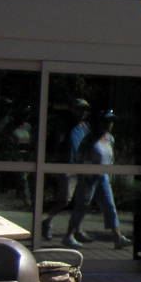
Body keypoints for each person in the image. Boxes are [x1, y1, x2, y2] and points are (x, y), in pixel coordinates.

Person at [65, 110, 128, 248]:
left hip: (103, 176)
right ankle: (69, 235)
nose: (109, 124)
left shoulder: (110, 138)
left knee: (110, 205)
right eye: (107, 121)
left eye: (111, 121)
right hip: (90, 176)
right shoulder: (89, 138)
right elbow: (80, 156)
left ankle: (117, 236)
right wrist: (85, 172)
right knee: (83, 205)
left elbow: (110, 158)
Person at [40, 98, 92, 240]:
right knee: (65, 200)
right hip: (67, 166)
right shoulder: (64, 125)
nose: (83, 112)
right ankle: (47, 222)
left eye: (85, 109)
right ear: (73, 109)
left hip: (81, 166)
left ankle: (77, 229)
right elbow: (56, 144)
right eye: (80, 109)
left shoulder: (86, 127)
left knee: (82, 201)